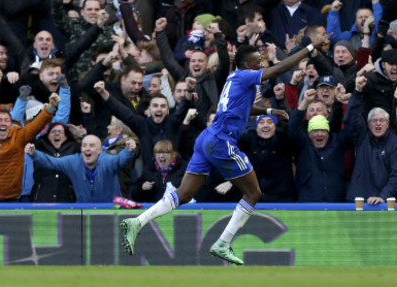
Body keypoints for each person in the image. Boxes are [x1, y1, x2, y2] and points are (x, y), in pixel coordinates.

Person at [118, 35, 328, 264]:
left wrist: (269, 112)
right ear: (248, 65)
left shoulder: (234, 79)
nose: (262, 65)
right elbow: (279, 68)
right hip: (221, 141)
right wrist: (309, 47)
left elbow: (240, 110)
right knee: (254, 193)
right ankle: (223, 243)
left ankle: (137, 222)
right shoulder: (247, 76)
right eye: (259, 62)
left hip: (207, 139)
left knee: (185, 193)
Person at [0, 80, 60, 202]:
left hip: (11, 199)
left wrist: (50, 108)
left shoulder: (18, 137)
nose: (3, 123)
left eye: (7, 120)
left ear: (11, 124)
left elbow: (37, 125)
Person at [343, 76, 397, 204]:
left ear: (388, 123)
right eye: (374, 120)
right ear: (368, 123)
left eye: (381, 120)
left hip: (385, 204)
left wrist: (383, 197)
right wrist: (357, 91)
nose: (378, 123)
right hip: (359, 202)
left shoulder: (396, 143)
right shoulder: (362, 137)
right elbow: (351, 118)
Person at [25, 134, 137, 202]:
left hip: (110, 212)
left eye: (92, 146)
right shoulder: (73, 162)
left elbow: (119, 160)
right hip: (84, 212)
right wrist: (34, 154)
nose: (87, 149)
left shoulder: (107, 161)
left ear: (100, 150)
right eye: (84, 145)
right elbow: (52, 162)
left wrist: (128, 151)